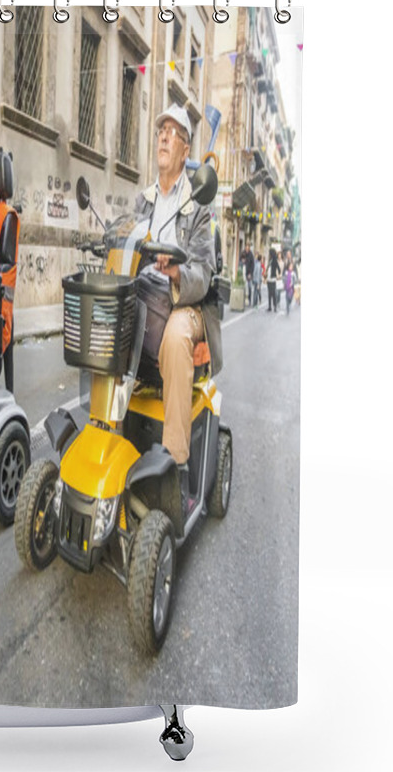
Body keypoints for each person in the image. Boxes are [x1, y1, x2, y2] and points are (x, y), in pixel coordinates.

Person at [132, 103, 222, 515]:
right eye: (160, 131)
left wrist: (175, 273)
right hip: (146, 297)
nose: (164, 136)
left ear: (185, 151)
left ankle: (177, 468)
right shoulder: (144, 200)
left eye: (173, 132)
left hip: (188, 303)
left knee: (173, 339)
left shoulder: (200, 205)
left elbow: (204, 272)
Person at [266, 247, 280, 312]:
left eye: (269, 253)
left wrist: (277, 275)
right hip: (269, 279)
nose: (269, 254)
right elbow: (267, 268)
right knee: (269, 293)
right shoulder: (270, 260)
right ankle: (270, 307)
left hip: (273, 279)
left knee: (273, 294)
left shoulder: (274, 260)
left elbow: (279, 269)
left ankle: (274, 307)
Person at [243, 242, 255, 306]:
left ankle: (249, 299)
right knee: (244, 287)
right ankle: (243, 299)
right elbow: (240, 261)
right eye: (246, 247)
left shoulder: (251, 255)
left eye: (248, 248)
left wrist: (250, 273)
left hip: (249, 273)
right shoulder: (243, 253)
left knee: (249, 287)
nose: (247, 249)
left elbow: (252, 265)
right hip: (244, 272)